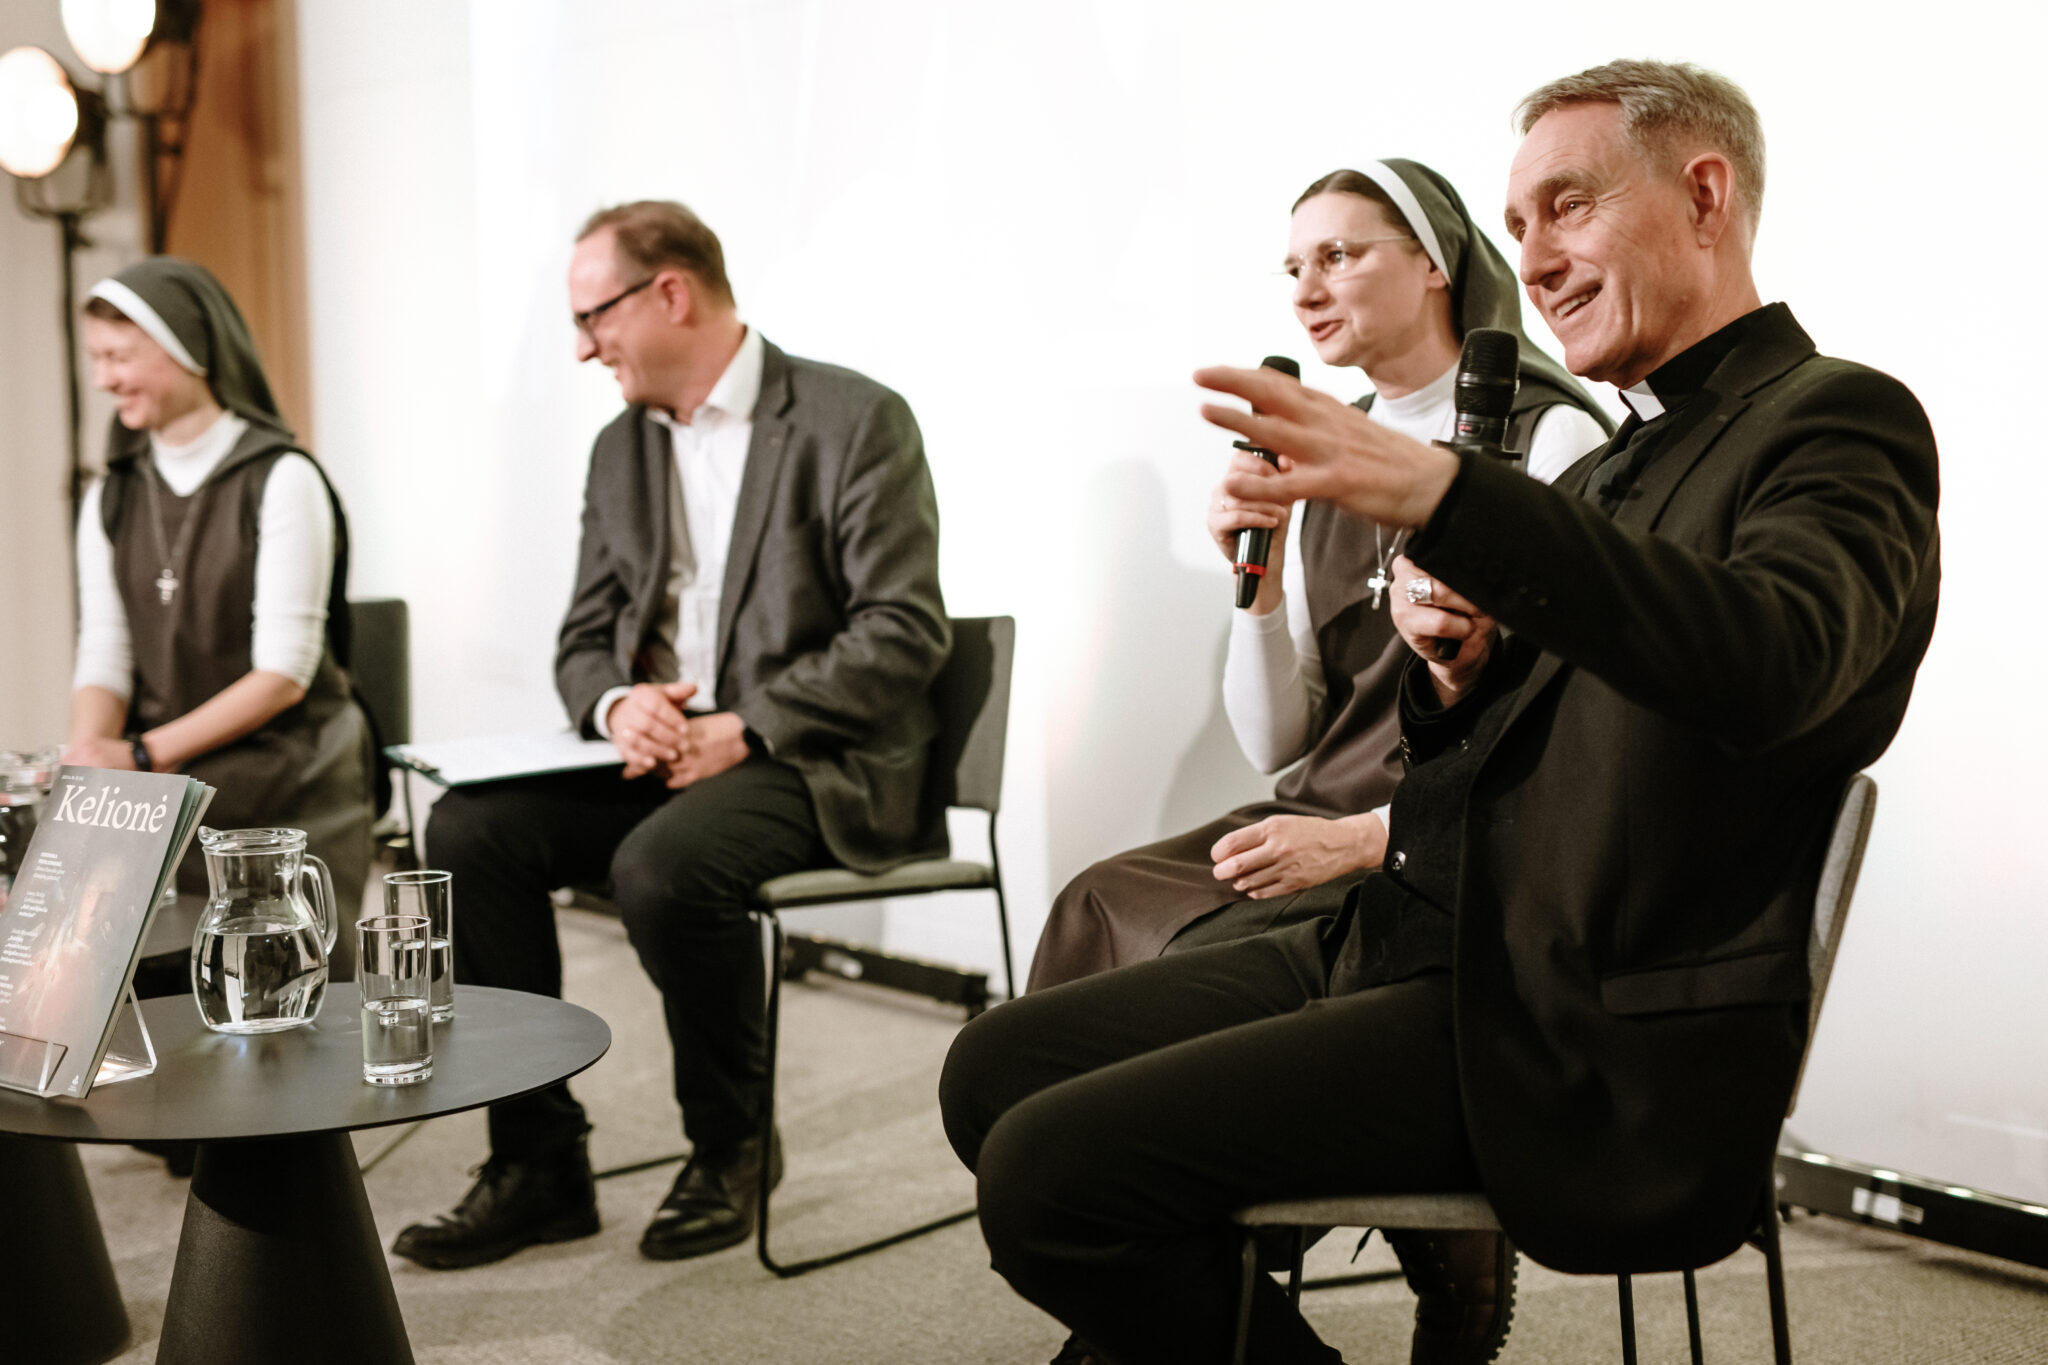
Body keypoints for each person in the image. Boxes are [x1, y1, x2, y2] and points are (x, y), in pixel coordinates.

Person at [941, 59, 1940, 1365]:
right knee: (994, 1070)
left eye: (1568, 209)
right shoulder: (1627, 451)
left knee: (1048, 1181)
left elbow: (1778, 662)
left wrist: (1447, 498)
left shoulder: (1836, 421)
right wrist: (1456, 671)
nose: (1534, 260)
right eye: (1517, 227)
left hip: (1553, 1008)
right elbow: (1532, 724)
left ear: (1706, 194)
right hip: (1404, 930)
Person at [393, 200, 949, 1270]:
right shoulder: (618, 451)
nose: (579, 345)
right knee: (467, 832)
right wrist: (617, 706)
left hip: (810, 757)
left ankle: (732, 1144)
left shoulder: (851, 418)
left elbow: (904, 630)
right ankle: (538, 1158)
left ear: (671, 294)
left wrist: (746, 725)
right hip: (665, 757)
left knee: (662, 867)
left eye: (592, 315)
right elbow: (582, 640)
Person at [1027, 158, 1609, 991]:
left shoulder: (1549, 437)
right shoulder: (1319, 445)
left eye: (1338, 256)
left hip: (1445, 827)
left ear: (1435, 262)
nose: (1306, 291)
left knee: (1191, 966)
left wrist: (1374, 828)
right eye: (1296, 268)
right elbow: (1278, 744)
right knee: (1095, 902)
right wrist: (1255, 588)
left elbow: (1561, 728)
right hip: (1311, 804)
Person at [65, 258, 374, 955]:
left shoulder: (283, 478)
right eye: (96, 357)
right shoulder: (109, 496)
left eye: (119, 356)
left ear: (188, 348)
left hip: (285, 775)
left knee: (280, 987)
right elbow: (106, 651)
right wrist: (90, 763)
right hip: (166, 781)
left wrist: (140, 755)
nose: (103, 378)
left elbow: (284, 674)